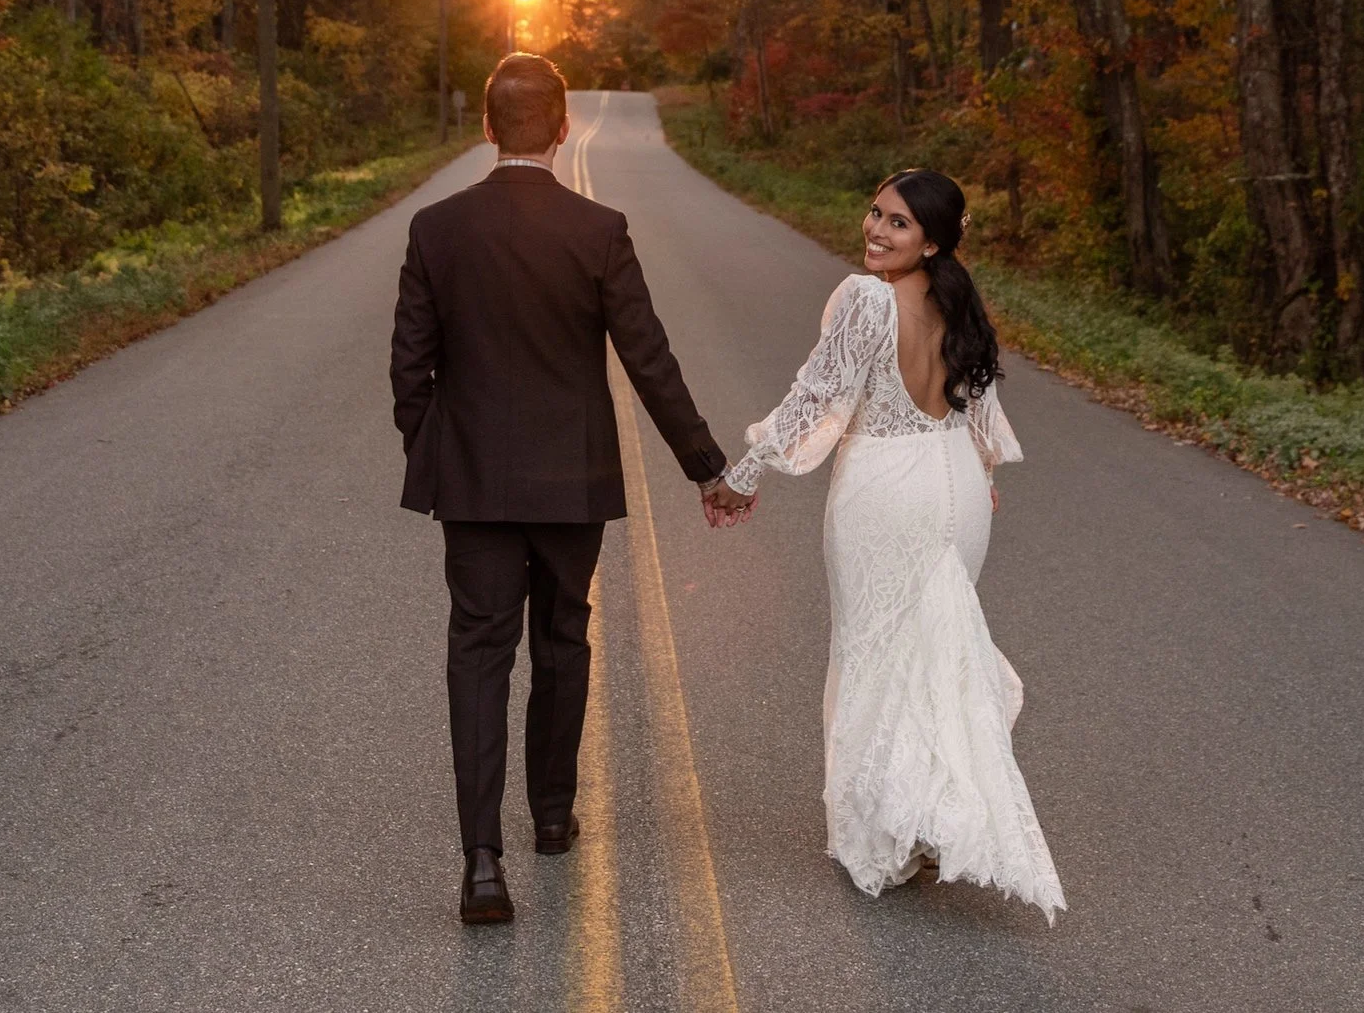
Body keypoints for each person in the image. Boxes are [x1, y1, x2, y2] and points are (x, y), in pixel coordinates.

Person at [390, 53, 751, 924]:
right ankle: (551, 814)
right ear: (561, 129)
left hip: (473, 484)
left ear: (486, 127)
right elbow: (648, 358)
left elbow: (411, 369)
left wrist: (442, 455)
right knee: (562, 638)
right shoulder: (597, 229)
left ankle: (482, 860)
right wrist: (707, 464)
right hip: (571, 480)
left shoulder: (436, 228)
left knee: (477, 656)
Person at [704, 169, 1066, 923]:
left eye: (897, 223)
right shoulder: (957, 297)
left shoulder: (866, 299)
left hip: (884, 491)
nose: (874, 229)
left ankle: (883, 836)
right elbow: (978, 404)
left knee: (873, 651)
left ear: (931, 239)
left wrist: (743, 473)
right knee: (933, 648)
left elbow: (815, 395)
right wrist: (982, 470)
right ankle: (929, 816)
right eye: (874, 212)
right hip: (956, 485)